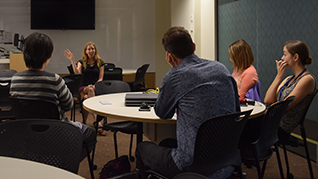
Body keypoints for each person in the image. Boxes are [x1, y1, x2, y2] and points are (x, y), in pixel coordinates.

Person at [135, 27, 240, 179]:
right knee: (166, 143)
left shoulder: (175, 76)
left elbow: (162, 113)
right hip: (226, 161)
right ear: (194, 47)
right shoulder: (221, 68)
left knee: (142, 148)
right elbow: (235, 110)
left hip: (192, 165)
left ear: (169, 56)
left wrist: (173, 71)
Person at [10, 32, 96, 161]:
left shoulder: (15, 79)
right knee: (90, 134)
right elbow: (69, 105)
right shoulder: (54, 80)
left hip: (26, 133)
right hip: (57, 132)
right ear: (47, 57)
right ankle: (67, 163)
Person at [264, 40, 316, 140]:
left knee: (244, 129)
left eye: (284, 54)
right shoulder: (288, 79)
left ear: (295, 57)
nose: (282, 58)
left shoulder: (307, 79)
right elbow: (267, 100)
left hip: (281, 127)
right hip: (271, 121)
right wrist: (279, 77)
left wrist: (273, 105)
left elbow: (282, 108)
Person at [64, 42, 107, 136]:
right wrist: (72, 60)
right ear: (85, 51)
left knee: (87, 98)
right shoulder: (81, 62)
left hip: (95, 87)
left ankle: (84, 121)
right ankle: (97, 121)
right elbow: (77, 74)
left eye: (93, 49)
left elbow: (100, 78)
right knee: (90, 91)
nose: (91, 51)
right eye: (89, 49)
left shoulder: (100, 62)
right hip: (82, 87)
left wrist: (95, 85)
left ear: (95, 50)